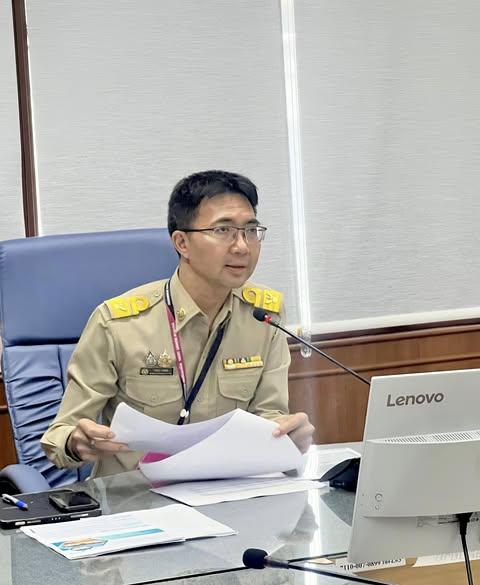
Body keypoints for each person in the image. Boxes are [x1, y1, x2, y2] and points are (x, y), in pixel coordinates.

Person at [41, 170, 314, 477]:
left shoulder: (263, 315)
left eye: (251, 230)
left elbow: (269, 416)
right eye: (223, 230)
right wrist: (77, 442)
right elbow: (59, 435)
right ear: (182, 243)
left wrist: (287, 433)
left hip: (228, 490)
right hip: (135, 495)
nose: (242, 246)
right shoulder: (117, 323)